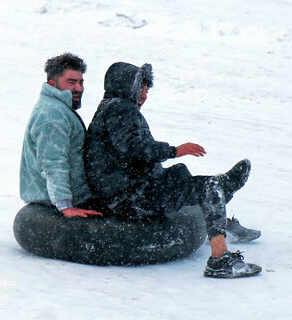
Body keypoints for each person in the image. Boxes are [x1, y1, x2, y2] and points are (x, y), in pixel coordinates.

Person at [84, 62, 261, 278]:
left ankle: (221, 203)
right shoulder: (120, 109)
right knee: (208, 186)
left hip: (128, 190)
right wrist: (174, 150)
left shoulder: (110, 108)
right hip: (130, 198)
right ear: (126, 86)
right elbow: (134, 148)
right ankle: (219, 258)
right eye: (141, 88)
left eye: (147, 90)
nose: (144, 95)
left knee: (182, 176)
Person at [20, 53, 105, 218]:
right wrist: (65, 205)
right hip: (55, 203)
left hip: (75, 195)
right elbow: (53, 163)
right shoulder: (52, 115)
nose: (79, 88)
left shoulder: (59, 109)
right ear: (53, 84)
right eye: (71, 82)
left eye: (81, 82)